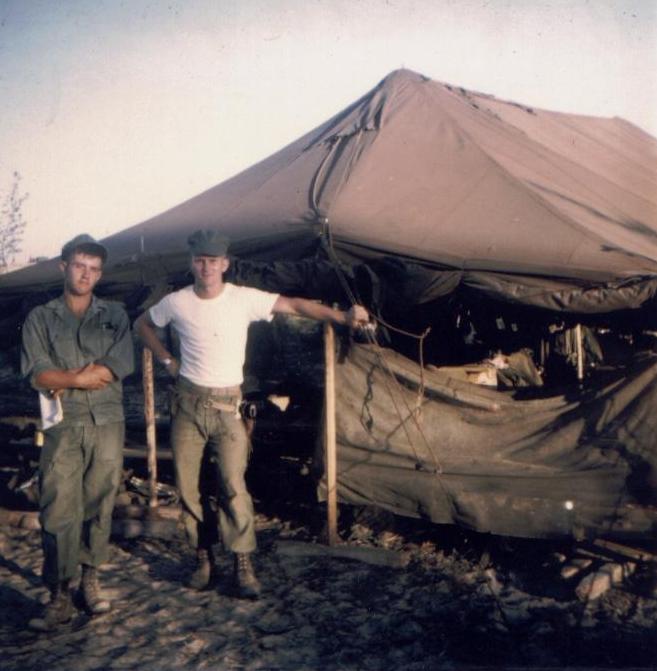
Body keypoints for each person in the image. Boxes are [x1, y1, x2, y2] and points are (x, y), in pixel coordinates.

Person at [135, 229, 369, 599]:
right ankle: (203, 558)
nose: (207, 267)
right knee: (189, 487)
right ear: (192, 264)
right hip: (188, 405)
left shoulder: (242, 298)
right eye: (200, 261)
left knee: (233, 485)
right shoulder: (176, 302)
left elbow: (295, 306)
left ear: (225, 264)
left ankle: (242, 562)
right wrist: (167, 360)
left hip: (228, 408)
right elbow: (142, 324)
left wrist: (341, 316)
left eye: (213, 261)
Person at [21, 234, 135, 631]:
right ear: (63, 267)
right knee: (57, 508)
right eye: (79, 266)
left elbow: (119, 363)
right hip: (62, 424)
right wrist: (81, 378)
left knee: (99, 503)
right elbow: (38, 373)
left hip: (106, 423)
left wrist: (67, 378)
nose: (85, 274)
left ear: (99, 275)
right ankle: (59, 594)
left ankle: (90, 578)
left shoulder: (115, 315)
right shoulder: (40, 318)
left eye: (93, 269)